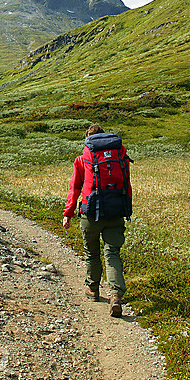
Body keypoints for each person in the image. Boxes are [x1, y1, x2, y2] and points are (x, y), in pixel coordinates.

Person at [62, 124, 128, 317]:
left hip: (91, 213)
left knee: (92, 253)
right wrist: (126, 210)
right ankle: (116, 295)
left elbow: (74, 188)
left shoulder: (83, 159)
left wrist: (68, 213)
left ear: (87, 139)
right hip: (116, 211)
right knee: (112, 253)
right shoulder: (119, 155)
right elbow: (127, 185)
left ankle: (93, 289)